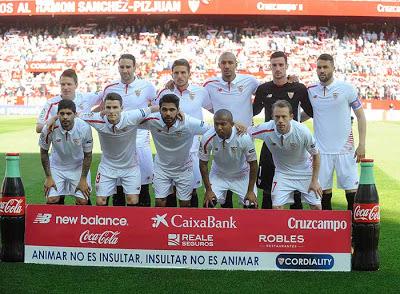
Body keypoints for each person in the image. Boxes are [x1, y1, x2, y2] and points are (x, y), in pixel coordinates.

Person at [253, 51, 314, 210]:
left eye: (281, 65)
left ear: (287, 66)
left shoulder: (299, 88)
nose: (278, 68)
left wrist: (299, 122)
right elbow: (251, 112)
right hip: (271, 144)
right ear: (270, 67)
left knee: (296, 191)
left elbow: (312, 111)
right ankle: (267, 229)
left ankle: (295, 230)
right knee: (267, 190)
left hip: (294, 145)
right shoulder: (263, 89)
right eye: (274, 65)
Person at [307, 53, 366, 211]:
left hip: (345, 150)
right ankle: (326, 233)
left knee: (352, 194)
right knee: (323, 195)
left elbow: (360, 116)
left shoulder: (347, 89)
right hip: (321, 152)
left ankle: (353, 231)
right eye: (319, 67)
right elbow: (308, 113)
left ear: (333, 68)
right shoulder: (311, 90)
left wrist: (362, 144)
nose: (321, 70)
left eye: (325, 67)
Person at [80, 93, 158, 206]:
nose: (111, 111)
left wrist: (179, 111)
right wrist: (54, 118)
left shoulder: (132, 116)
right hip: (107, 167)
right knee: (100, 201)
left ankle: (132, 224)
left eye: (115, 107)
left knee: (133, 200)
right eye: (108, 107)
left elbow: (154, 108)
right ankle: (105, 223)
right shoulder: (97, 119)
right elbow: (75, 115)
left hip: (130, 167)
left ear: (122, 108)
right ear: (104, 108)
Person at [99, 54, 157, 207]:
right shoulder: (109, 88)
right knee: (118, 192)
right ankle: (118, 228)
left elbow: (158, 109)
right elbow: (100, 111)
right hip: (117, 144)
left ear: (134, 67)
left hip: (140, 142)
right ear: (118, 68)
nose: (125, 70)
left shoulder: (147, 87)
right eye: (122, 67)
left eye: (128, 67)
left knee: (143, 190)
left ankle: (141, 228)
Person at [203, 52, 259, 208]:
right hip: (221, 138)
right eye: (223, 63)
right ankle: (226, 227)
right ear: (219, 64)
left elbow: (267, 92)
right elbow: (201, 100)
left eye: (230, 62)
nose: (226, 66)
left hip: (243, 139)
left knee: (248, 201)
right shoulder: (209, 84)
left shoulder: (250, 81)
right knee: (222, 197)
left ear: (236, 64)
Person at [36, 69, 100, 205]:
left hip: (78, 161)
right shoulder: (52, 103)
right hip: (58, 159)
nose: (65, 87)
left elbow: (106, 97)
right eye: (62, 84)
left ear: (76, 84)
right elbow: (38, 128)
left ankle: (84, 224)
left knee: (82, 198)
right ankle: (58, 223)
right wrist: (53, 120)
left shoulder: (86, 98)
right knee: (55, 198)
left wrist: (91, 115)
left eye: (69, 84)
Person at [157, 58, 212, 207]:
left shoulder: (200, 92)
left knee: (191, 190)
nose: (179, 76)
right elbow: (156, 112)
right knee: (170, 191)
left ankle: (190, 225)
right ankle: (170, 226)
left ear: (189, 74)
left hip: (193, 149)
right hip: (170, 150)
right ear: (172, 74)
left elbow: (213, 109)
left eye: (183, 72)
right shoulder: (165, 92)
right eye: (176, 73)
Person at [247, 100, 322, 210]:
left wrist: (314, 181)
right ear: (272, 116)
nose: (280, 120)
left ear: (291, 116)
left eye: (284, 116)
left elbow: (316, 155)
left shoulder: (302, 131)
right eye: (277, 117)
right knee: (276, 208)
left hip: (306, 172)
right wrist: (236, 125)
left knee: (316, 207)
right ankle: (280, 228)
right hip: (282, 173)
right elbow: (246, 131)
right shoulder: (266, 128)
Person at [138, 94, 210, 207]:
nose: (168, 113)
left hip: (184, 169)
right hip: (161, 169)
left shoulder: (189, 123)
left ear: (178, 110)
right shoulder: (152, 120)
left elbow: (213, 129)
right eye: (164, 109)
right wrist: (152, 108)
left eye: (172, 110)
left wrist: (234, 125)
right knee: (159, 202)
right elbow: (128, 119)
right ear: (159, 109)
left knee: (185, 204)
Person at [199, 109, 258, 208]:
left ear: (232, 124)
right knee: (208, 203)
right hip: (219, 174)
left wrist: (251, 191)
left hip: (241, 174)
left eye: (223, 124)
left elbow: (253, 164)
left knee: (251, 205)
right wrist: (208, 190)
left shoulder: (243, 137)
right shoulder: (207, 137)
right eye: (216, 124)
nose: (219, 127)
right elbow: (203, 164)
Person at [39, 99, 93, 205]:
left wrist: (83, 179)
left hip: (78, 167)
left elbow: (88, 155)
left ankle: (82, 220)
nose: (65, 117)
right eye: (62, 113)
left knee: (82, 200)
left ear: (75, 114)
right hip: (56, 167)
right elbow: (43, 152)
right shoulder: (49, 128)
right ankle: (55, 221)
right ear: (57, 114)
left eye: (69, 113)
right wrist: (48, 177)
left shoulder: (84, 128)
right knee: (52, 199)